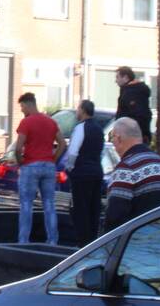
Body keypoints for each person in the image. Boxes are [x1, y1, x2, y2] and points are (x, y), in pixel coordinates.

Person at [104, 116, 160, 232]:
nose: (113, 143)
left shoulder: (126, 168)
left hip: (135, 243)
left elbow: (115, 217)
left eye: (112, 138)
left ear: (119, 138)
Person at [13, 92, 66, 245]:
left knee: (26, 204)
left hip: (30, 166)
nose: (22, 110)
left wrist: (21, 163)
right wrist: (53, 161)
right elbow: (62, 144)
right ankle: (52, 241)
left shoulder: (26, 122)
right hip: (48, 167)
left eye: (22, 107)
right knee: (49, 204)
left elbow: (18, 148)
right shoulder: (51, 122)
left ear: (28, 105)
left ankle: (23, 241)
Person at [64, 99, 103, 246]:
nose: (76, 112)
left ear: (83, 110)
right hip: (96, 172)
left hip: (81, 174)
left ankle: (83, 243)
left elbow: (73, 151)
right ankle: (93, 242)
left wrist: (70, 167)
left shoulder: (81, 128)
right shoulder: (99, 129)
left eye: (77, 108)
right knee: (94, 209)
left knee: (81, 209)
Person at [114, 66, 153, 144]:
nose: (116, 81)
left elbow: (138, 115)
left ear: (125, 77)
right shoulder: (131, 91)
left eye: (117, 77)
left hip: (131, 138)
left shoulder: (132, 93)